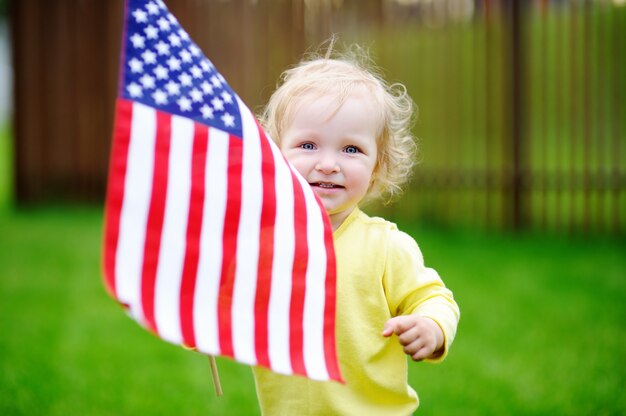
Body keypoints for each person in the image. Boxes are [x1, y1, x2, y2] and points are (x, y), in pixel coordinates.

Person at [253, 43, 460, 415]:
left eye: (351, 149)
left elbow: (434, 297)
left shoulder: (386, 246)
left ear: (378, 165)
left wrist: (431, 325)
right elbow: (219, 302)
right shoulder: (263, 243)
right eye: (308, 144)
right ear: (275, 153)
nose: (329, 164)